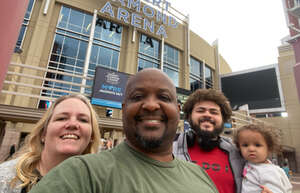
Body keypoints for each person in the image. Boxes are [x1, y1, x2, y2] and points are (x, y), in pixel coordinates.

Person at [29, 68, 218, 193]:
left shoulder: (200, 176)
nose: (151, 105)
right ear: (124, 108)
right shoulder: (81, 174)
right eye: (138, 97)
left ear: (178, 111)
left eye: (163, 97)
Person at [0, 94, 100, 193]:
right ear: (43, 134)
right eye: (61, 118)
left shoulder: (100, 184)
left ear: (91, 136)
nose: (73, 124)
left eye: (83, 120)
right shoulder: (3, 177)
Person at [173, 89, 244, 193]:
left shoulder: (239, 152)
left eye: (214, 112)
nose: (207, 115)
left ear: (223, 119)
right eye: (200, 111)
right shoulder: (168, 146)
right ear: (189, 116)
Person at [234, 124, 292, 193]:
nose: (251, 149)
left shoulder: (268, 171)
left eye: (257, 145)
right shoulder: (250, 164)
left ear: (269, 148)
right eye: (245, 145)